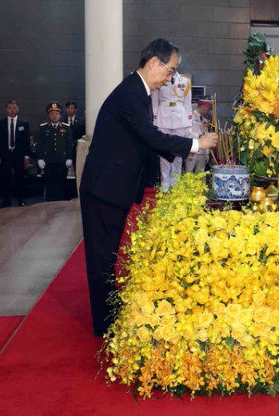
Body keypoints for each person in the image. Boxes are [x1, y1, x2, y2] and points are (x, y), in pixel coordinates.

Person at [79, 38, 219, 337]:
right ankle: (104, 324)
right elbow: (151, 137)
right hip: (104, 188)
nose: (170, 79)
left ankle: (109, 313)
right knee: (101, 257)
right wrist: (196, 144)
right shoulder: (131, 94)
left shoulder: (138, 91)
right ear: (154, 62)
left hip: (112, 186)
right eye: (170, 70)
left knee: (108, 255)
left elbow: (146, 139)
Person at [151, 72, 193, 190]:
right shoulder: (160, 78)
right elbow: (155, 102)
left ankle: (176, 184)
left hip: (180, 119)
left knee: (178, 153)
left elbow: (187, 104)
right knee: (164, 152)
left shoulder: (185, 81)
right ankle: (164, 184)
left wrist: (189, 124)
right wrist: (155, 120)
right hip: (163, 117)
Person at [0, 100, 31, 207]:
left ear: (18, 109)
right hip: (5, 155)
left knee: (20, 177)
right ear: (6, 109)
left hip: (19, 154)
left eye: (14, 108)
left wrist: (27, 156)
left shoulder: (23, 123)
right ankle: (6, 200)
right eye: (10, 108)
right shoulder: (0, 123)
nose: (12, 110)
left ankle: (21, 200)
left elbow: (26, 141)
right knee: (5, 178)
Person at [36, 102, 74, 201]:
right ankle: (49, 204)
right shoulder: (43, 127)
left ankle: (60, 205)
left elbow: (69, 144)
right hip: (48, 160)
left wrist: (69, 158)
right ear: (49, 115)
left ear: (60, 115)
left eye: (56, 113)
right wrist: (40, 158)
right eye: (52, 114)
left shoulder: (66, 127)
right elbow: (40, 144)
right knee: (49, 184)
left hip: (61, 160)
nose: (54, 116)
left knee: (61, 184)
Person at [185, 99, 212, 173]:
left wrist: (207, 153)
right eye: (208, 108)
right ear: (203, 106)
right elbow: (187, 132)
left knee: (200, 174)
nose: (208, 110)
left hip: (202, 151)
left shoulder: (205, 120)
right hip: (192, 149)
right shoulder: (190, 117)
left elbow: (205, 134)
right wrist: (199, 136)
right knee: (189, 173)